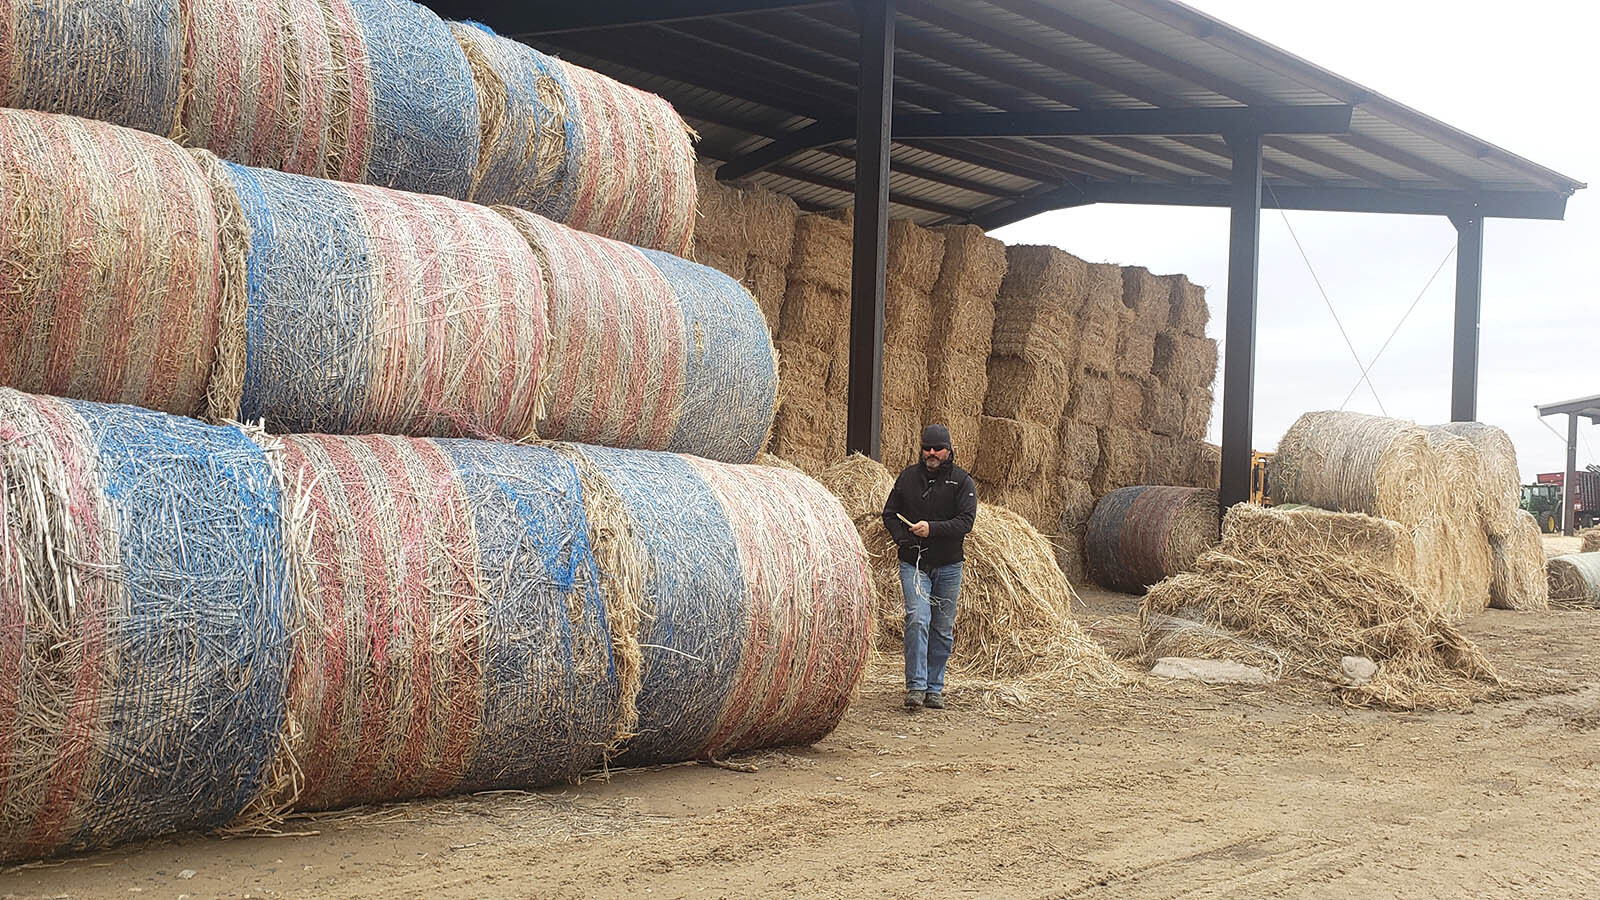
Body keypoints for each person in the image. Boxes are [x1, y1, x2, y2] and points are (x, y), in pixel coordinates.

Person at [882, 423, 977, 711]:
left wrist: (931, 529)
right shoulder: (908, 478)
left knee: (942, 627)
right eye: (927, 448)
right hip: (915, 564)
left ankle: (935, 688)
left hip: (949, 565)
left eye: (937, 448)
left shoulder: (962, 482)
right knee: (917, 619)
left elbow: (966, 522)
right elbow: (889, 514)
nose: (931, 453)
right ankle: (916, 686)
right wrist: (902, 540)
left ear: (949, 450)